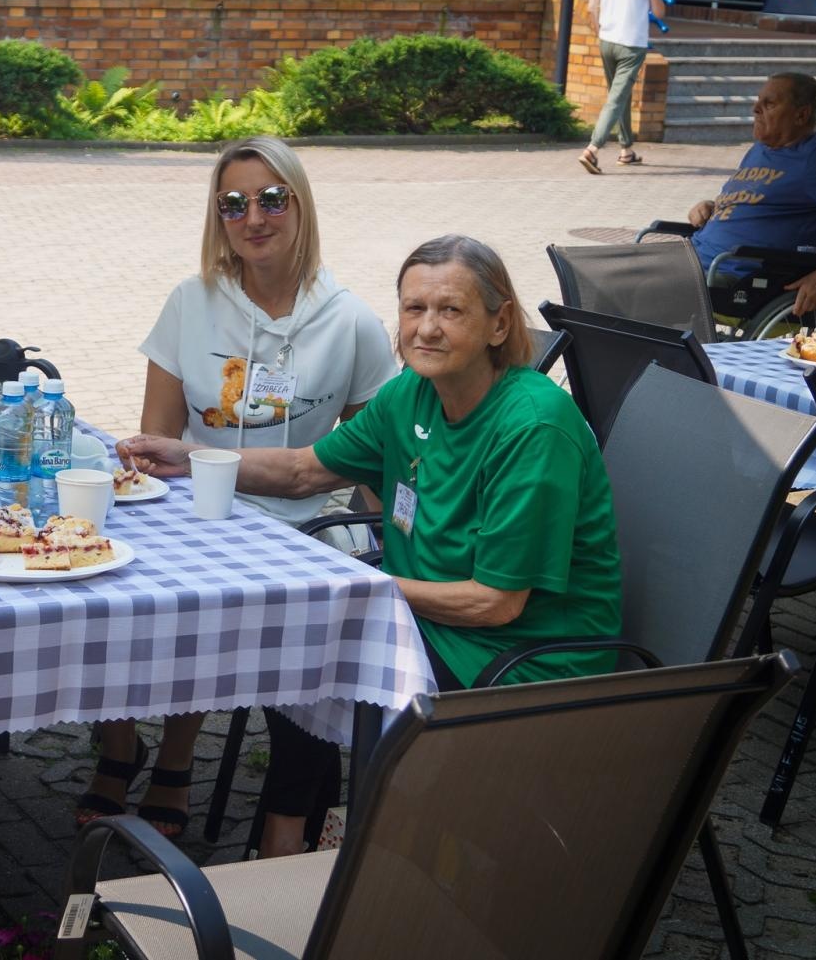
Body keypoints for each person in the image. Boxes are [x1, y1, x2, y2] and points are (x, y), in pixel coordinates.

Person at [119, 235, 622, 858]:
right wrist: (190, 457)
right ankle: (297, 839)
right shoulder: (410, 394)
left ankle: (318, 846)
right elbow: (305, 471)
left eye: (450, 310)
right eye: (414, 309)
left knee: (311, 648)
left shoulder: (533, 427)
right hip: (429, 623)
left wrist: (358, 586)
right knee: (293, 639)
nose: (427, 329)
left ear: (498, 324)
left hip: (524, 659)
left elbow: (497, 604)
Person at [75, 137, 398, 838]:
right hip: (192, 504)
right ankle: (121, 738)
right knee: (103, 567)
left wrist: (390, 550)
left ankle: (184, 757)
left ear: (301, 204)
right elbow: (155, 436)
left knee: (292, 610)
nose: (254, 216)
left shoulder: (352, 321)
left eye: (272, 198)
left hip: (301, 521)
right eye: (234, 203)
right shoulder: (190, 302)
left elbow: (377, 458)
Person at [684, 73, 816, 315]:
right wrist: (712, 205)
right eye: (758, 101)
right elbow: (761, 202)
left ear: (801, 114)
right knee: (611, 272)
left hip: (738, 279)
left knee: (635, 289)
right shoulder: (759, 151)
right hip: (694, 261)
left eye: (769, 104)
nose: (755, 108)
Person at [578, 0, 666, 174]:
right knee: (616, 98)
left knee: (621, 95)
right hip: (632, 45)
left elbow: (592, 7)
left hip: (607, 41)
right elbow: (659, 12)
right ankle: (592, 149)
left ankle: (626, 150)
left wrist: (599, 32)